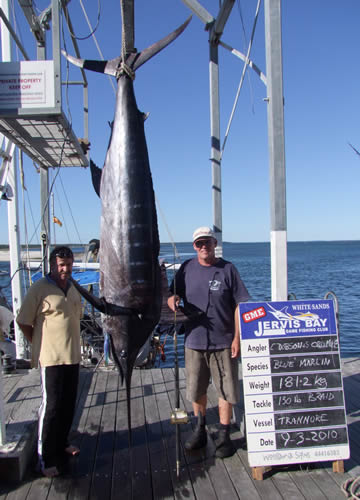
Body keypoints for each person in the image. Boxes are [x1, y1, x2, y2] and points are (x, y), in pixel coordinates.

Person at [167, 227, 250, 458]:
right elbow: (171, 293)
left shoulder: (228, 269)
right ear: (194, 246)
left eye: (208, 242)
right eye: (199, 243)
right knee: (196, 389)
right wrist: (172, 299)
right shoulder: (186, 268)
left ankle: (224, 434)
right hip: (194, 341)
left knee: (226, 389)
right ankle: (200, 429)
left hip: (224, 342)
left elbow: (240, 305)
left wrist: (237, 337)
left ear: (215, 243)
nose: (204, 246)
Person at [17, 246, 82, 477]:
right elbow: (23, 320)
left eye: (69, 265)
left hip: (73, 356)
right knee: (51, 406)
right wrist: (37, 342)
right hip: (50, 357)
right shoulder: (39, 288)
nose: (66, 269)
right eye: (61, 265)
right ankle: (45, 459)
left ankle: (62, 443)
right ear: (52, 265)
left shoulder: (73, 287)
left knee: (67, 403)